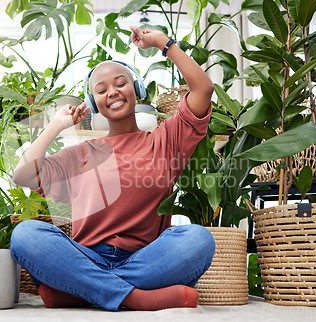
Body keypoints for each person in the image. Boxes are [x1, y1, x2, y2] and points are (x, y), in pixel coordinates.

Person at [11, 25, 216, 311]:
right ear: (93, 102)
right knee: (25, 235)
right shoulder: (78, 155)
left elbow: (203, 88)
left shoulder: (166, 140)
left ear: (137, 89)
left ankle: (83, 293)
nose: (113, 92)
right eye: (101, 89)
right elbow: (22, 175)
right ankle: (135, 298)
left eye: (121, 83)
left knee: (199, 239)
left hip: (145, 260)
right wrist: (56, 124)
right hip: (85, 258)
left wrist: (161, 42)